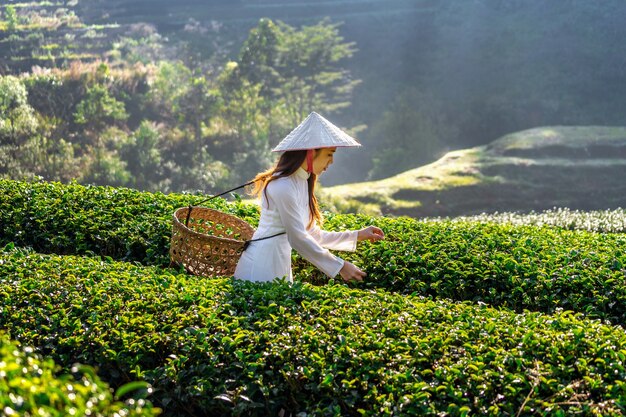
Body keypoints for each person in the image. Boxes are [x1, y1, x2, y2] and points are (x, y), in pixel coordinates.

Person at [234, 112, 385, 283]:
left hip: (279, 261)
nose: (332, 161)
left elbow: (311, 234)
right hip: (261, 264)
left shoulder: (302, 181)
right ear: (311, 153)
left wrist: (357, 235)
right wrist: (340, 266)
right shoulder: (283, 185)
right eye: (330, 154)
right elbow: (298, 238)